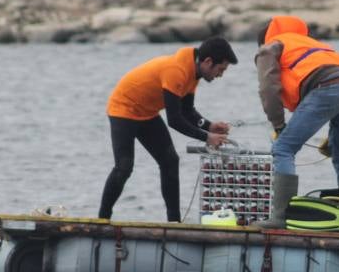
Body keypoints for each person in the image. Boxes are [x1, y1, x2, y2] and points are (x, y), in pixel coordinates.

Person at [99, 37, 237, 223]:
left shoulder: (193, 72)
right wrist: (207, 137)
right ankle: (102, 219)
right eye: (221, 70)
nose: (220, 75)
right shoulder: (177, 70)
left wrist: (209, 125)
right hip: (123, 108)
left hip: (146, 112)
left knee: (170, 161)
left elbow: (187, 111)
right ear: (208, 62)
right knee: (124, 167)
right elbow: (175, 120)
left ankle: (174, 222)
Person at [254, 15, 339, 228]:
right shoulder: (311, 43)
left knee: (283, 148)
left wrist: (278, 126)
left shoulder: (269, 48)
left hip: (327, 85)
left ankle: (280, 218)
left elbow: (268, 89)